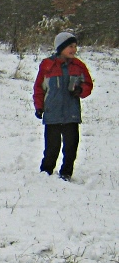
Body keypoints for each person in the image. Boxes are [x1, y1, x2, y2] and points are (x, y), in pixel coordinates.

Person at [33, 32, 94, 181]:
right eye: (70, 46)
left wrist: (81, 90)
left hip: (71, 114)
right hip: (52, 113)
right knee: (51, 147)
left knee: (71, 146)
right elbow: (39, 88)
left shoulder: (79, 66)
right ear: (60, 48)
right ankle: (46, 171)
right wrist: (39, 107)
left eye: (75, 46)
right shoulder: (47, 65)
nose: (74, 50)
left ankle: (66, 172)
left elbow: (88, 85)